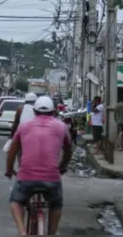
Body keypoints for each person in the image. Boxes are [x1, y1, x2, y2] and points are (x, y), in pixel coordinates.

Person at [5, 96, 73, 235]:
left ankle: (22, 232)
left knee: (15, 201)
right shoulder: (62, 127)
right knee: (56, 204)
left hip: (26, 178)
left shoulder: (24, 126)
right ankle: (51, 234)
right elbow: (68, 151)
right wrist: (61, 167)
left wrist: (9, 170)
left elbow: (12, 151)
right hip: (52, 179)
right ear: (53, 112)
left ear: (34, 112)